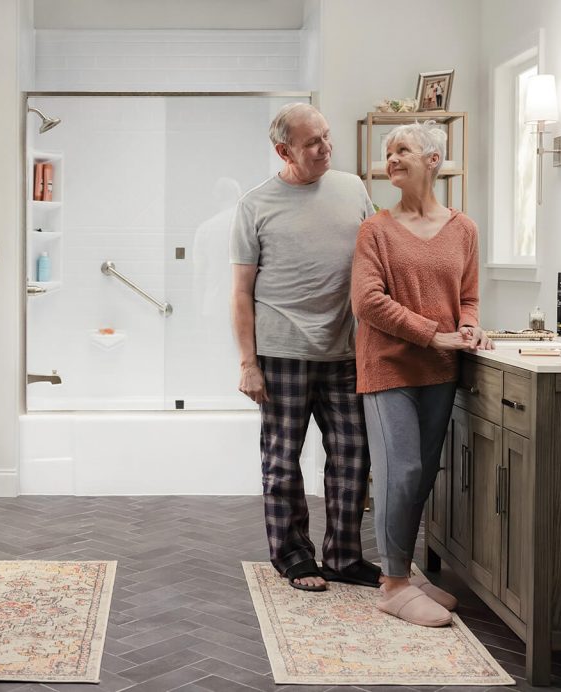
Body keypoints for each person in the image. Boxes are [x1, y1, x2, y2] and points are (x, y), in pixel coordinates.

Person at [230, 103, 379, 592]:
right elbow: (241, 293)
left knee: (353, 455)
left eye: (326, 136)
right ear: (283, 150)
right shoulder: (256, 204)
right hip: (282, 351)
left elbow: (380, 257)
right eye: (312, 142)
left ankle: (343, 555)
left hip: (343, 350)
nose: (325, 147)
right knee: (282, 460)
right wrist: (248, 363)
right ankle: (293, 555)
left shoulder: (353, 188)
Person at [351, 120, 493, 626]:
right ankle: (391, 586)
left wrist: (470, 327)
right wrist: (433, 333)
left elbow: (469, 297)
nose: (391, 158)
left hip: (440, 370)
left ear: (433, 160)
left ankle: (403, 572)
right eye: (388, 152)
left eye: (402, 150)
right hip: (387, 366)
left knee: (423, 476)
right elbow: (367, 301)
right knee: (401, 471)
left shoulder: (464, 229)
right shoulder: (375, 230)